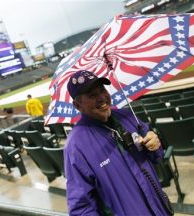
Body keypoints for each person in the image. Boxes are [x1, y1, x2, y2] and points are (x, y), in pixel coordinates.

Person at [64, 70, 173, 215]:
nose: (102, 97)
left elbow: (157, 157)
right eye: (92, 95)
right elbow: (81, 208)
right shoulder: (75, 147)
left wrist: (155, 145)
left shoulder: (127, 117)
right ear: (78, 105)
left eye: (102, 90)